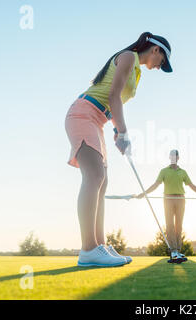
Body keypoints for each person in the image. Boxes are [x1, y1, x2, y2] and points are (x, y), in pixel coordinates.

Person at [65, 32, 173, 267]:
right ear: (155, 50)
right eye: (161, 61)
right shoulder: (128, 57)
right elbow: (113, 96)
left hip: (98, 121)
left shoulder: (136, 71)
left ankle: (99, 246)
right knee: (94, 176)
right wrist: (123, 132)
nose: (158, 67)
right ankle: (88, 249)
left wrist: (117, 129)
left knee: (102, 182)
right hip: (83, 114)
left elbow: (114, 103)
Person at [136, 150, 196, 262]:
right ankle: (173, 251)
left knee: (179, 226)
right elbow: (155, 185)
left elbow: (191, 185)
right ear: (169, 157)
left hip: (181, 199)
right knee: (170, 225)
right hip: (168, 199)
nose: (173, 157)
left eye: (175, 155)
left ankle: (178, 251)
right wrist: (144, 193)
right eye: (171, 155)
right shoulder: (164, 171)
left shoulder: (183, 172)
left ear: (178, 158)